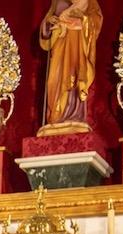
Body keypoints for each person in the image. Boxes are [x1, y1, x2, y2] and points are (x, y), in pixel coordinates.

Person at [38, 0, 103, 135]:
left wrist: (75, 23)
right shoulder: (57, 1)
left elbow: (95, 21)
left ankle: (73, 114)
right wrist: (50, 22)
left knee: (73, 78)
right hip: (59, 46)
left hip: (76, 45)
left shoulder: (89, 1)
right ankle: (56, 117)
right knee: (53, 81)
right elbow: (45, 32)